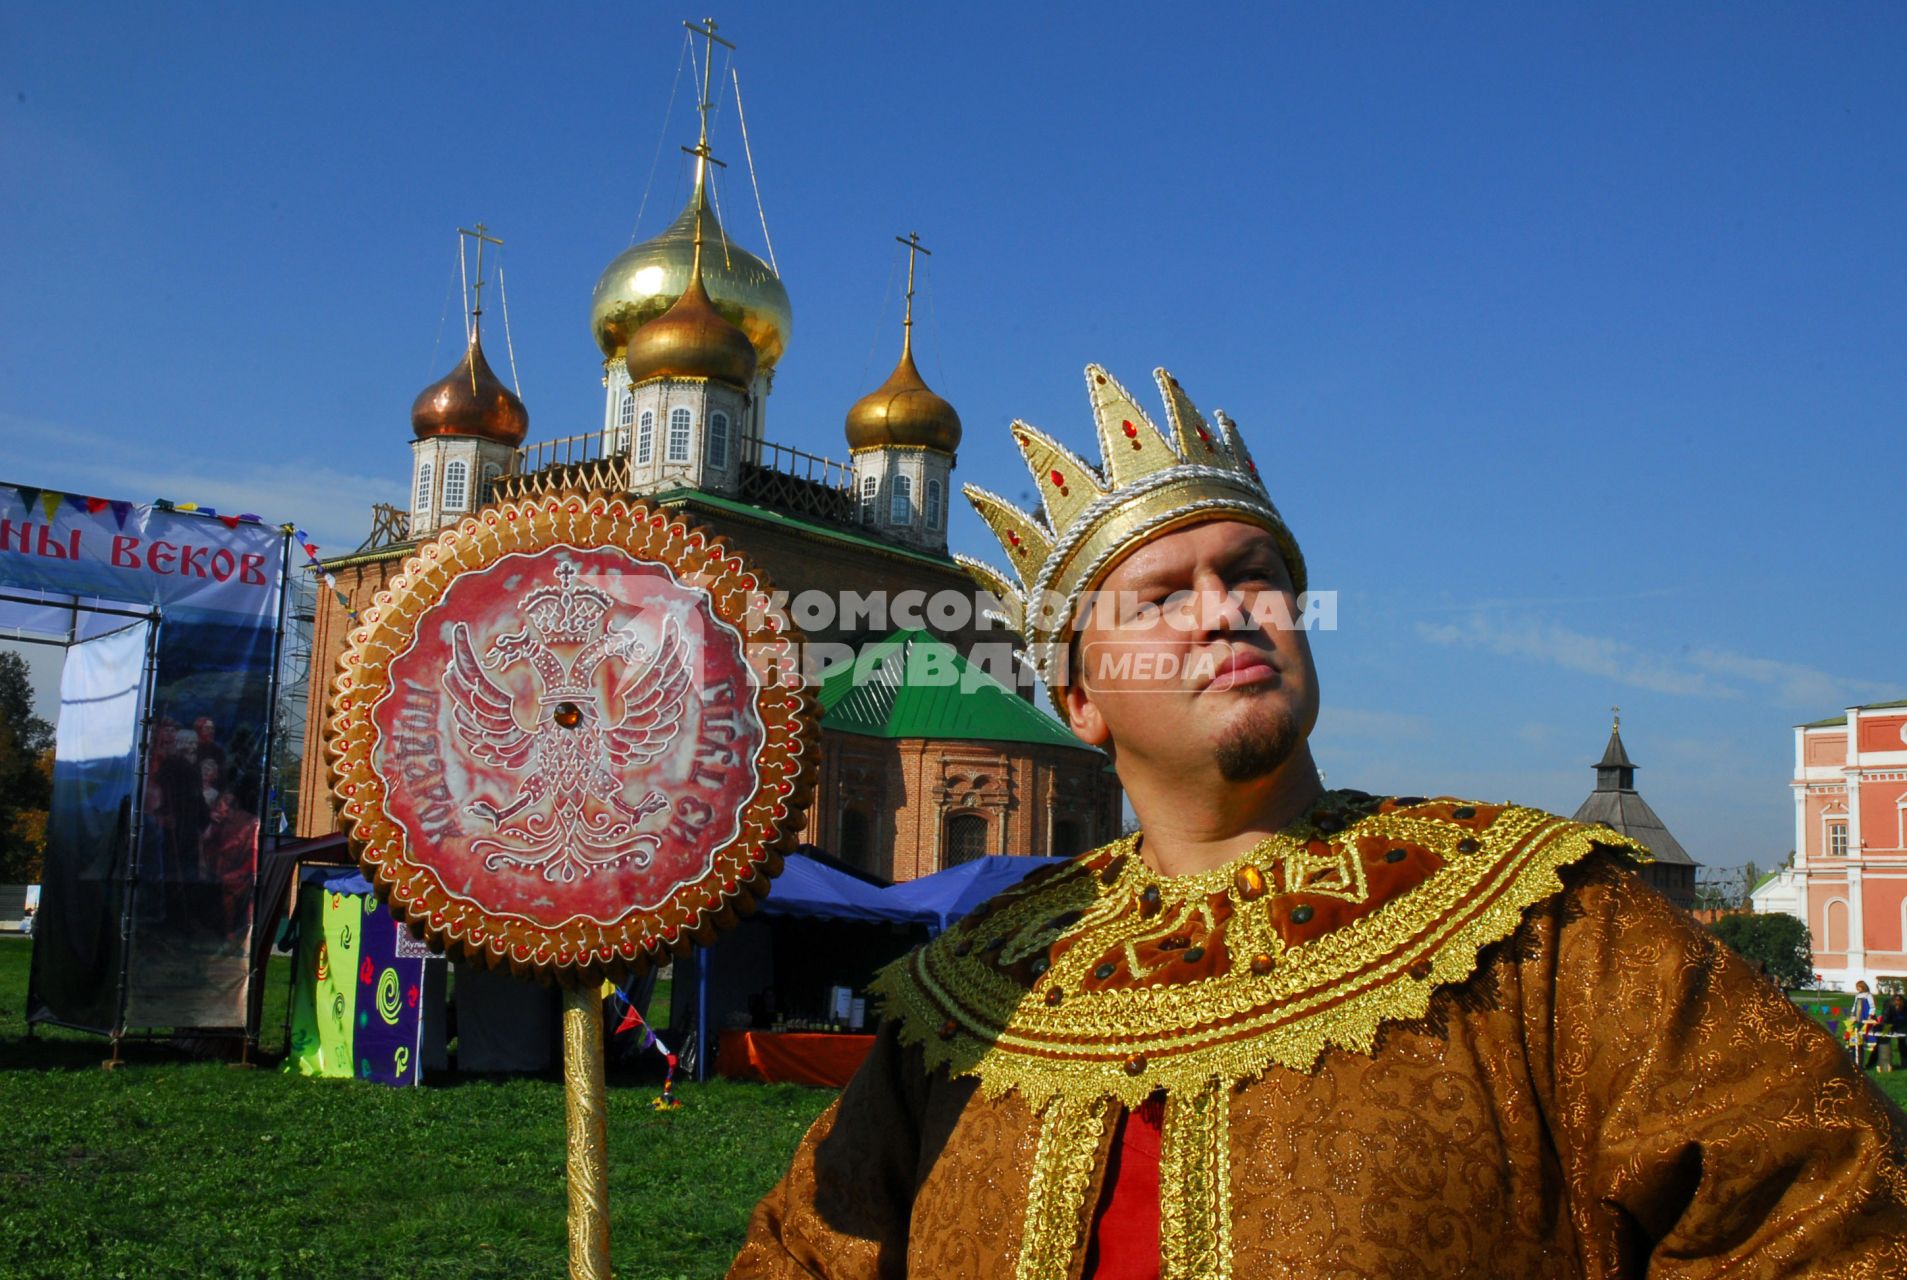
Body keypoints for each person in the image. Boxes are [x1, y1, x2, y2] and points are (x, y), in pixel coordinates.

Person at [730, 365, 1907, 1278]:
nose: (1226, 611)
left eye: (1253, 576)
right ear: (1078, 698)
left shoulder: (1538, 922)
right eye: (1162, 595)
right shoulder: (967, 995)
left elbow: (1824, 1207)